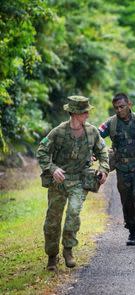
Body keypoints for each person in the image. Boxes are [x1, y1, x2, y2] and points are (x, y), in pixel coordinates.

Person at [37, 96, 109, 271]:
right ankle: (52, 256)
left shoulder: (92, 132)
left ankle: (68, 250)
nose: (87, 114)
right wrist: (53, 168)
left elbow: (102, 150)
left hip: (79, 180)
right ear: (74, 113)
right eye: (84, 111)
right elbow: (42, 151)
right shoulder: (58, 132)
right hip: (59, 182)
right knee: (53, 220)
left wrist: (104, 168)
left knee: (73, 213)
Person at [99, 93, 135, 246]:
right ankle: (132, 230)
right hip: (122, 167)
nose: (119, 110)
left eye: (122, 107)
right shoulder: (111, 123)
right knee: (127, 199)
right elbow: (97, 136)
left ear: (129, 105)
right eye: (116, 108)